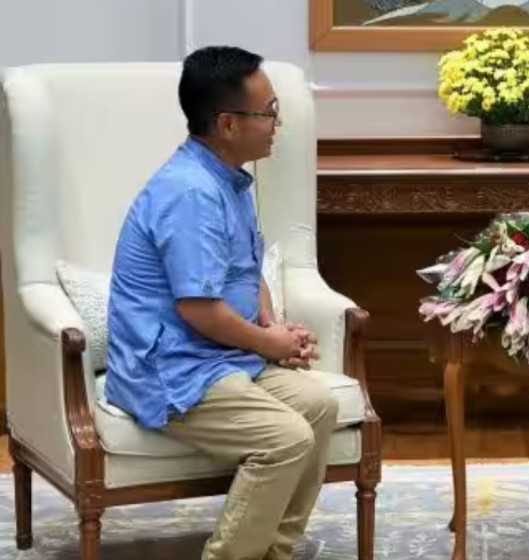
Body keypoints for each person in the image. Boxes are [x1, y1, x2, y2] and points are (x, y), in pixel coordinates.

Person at [105, 45, 335, 560]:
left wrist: (275, 329)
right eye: (269, 112)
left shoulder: (226, 179)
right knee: (285, 438)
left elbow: (244, 271)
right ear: (228, 123)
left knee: (319, 406)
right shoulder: (191, 193)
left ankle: (272, 551)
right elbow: (199, 310)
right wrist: (268, 342)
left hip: (220, 356)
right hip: (170, 366)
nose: (279, 123)